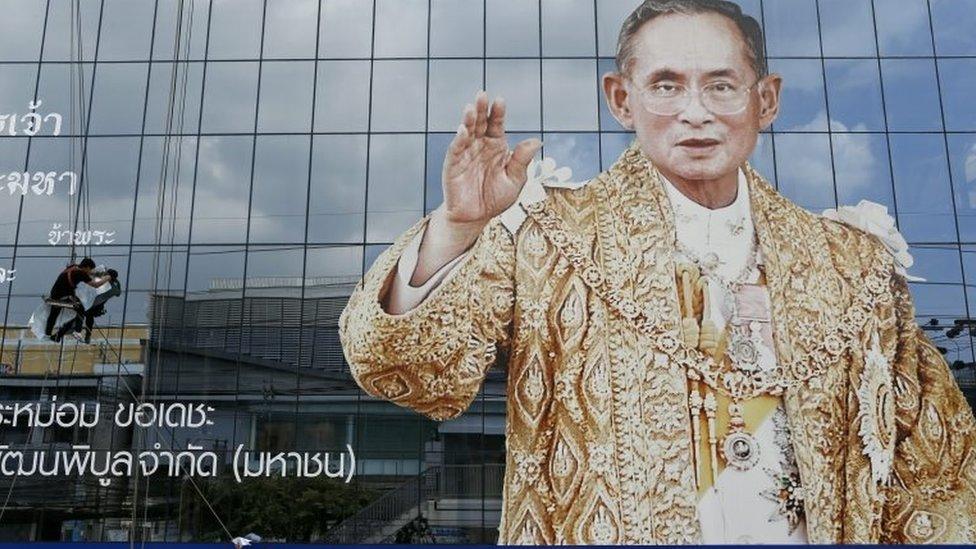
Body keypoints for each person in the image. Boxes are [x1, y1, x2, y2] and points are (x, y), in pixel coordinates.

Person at [339, 0, 976, 544]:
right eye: (667, 85)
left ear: (766, 99)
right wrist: (458, 225)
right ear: (622, 99)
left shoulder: (852, 265)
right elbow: (406, 374)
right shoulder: (546, 234)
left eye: (721, 85)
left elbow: (933, 474)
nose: (695, 112)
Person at [44, 257, 113, 342]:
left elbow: (91, 272)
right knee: (81, 309)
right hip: (63, 296)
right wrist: (107, 278)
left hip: (55, 294)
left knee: (53, 315)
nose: (89, 272)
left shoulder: (73, 267)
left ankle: (48, 334)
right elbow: (96, 285)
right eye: (89, 269)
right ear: (86, 267)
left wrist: (98, 273)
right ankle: (77, 331)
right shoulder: (81, 274)